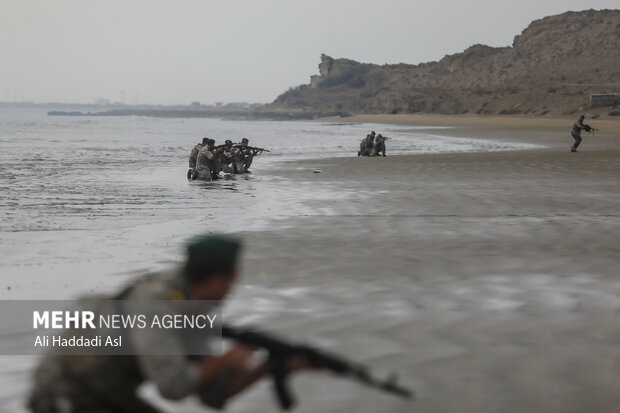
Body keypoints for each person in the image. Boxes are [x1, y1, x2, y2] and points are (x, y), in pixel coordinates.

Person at [29, 235, 307, 413]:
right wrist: (226, 361)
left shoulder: (193, 309)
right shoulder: (156, 302)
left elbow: (215, 394)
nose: (230, 290)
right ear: (216, 279)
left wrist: (268, 368)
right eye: (231, 281)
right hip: (64, 394)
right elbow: (173, 387)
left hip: (107, 396)